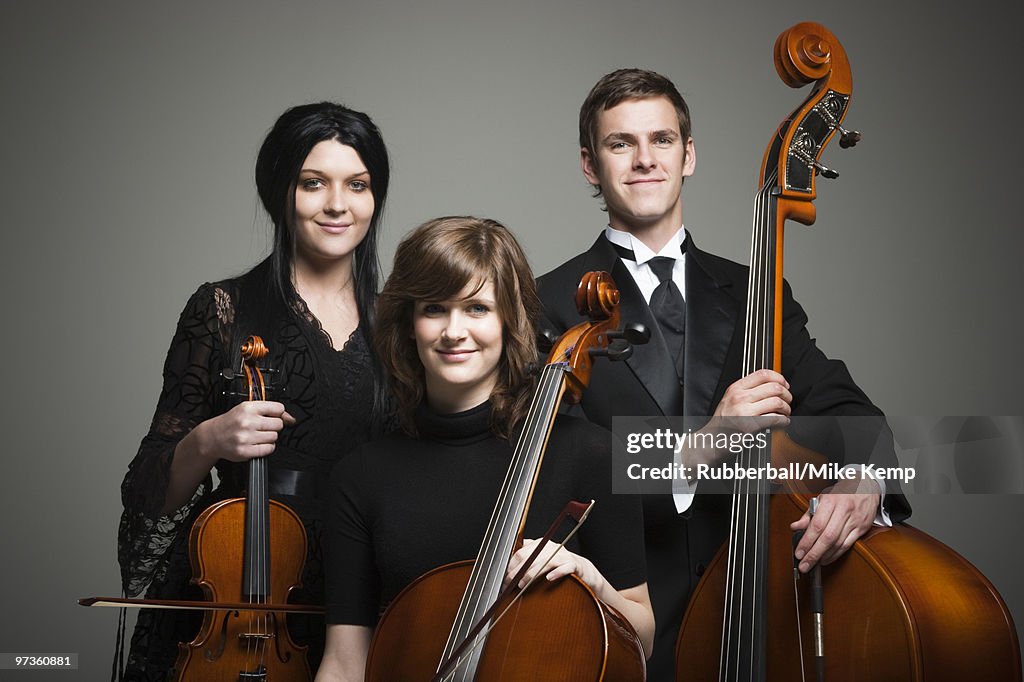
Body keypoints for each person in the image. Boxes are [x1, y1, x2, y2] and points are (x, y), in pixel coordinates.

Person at [537, 68, 912, 680]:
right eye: (619, 143)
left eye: (661, 140)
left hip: (756, 610)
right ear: (589, 163)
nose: (643, 160)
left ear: (689, 155)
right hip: (617, 626)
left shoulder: (755, 290)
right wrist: (706, 442)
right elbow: (555, 472)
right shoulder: (546, 301)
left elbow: (844, 407)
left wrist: (866, 479)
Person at [117, 101, 393, 680]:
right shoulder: (222, 309)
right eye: (313, 183)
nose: (338, 205)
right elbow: (146, 490)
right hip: (240, 591)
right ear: (279, 192)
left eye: (359, 185)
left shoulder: (402, 325)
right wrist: (209, 439)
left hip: (367, 594)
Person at [316, 216, 654, 681]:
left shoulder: (591, 452)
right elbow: (344, 661)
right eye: (434, 308)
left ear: (509, 321)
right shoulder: (361, 476)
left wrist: (589, 579)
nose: (454, 331)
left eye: (477, 308)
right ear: (409, 324)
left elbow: (644, 637)